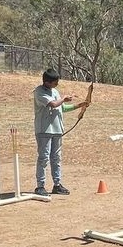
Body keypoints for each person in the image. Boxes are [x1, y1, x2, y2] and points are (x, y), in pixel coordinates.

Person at [33, 68, 89, 196]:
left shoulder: (55, 92)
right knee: (43, 158)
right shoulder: (39, 92)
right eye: (55, 82)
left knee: (56, 158)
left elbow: (62, 108)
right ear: (47, 82)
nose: (57, 84)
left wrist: (81, 105)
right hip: (44, 130)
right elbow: (53, 104)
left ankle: (57, 185)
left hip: (57, 130)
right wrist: (63, 98)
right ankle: (40, 186)